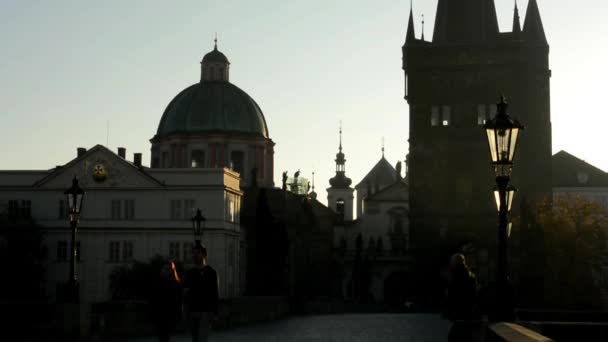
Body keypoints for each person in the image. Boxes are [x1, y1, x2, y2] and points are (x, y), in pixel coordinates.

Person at [183, 243, 219, 342]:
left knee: (201, 338)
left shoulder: (211, 272)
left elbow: (214, 293)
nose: (195, 255)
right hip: (193, 310)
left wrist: (214, 312)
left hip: (206, 311)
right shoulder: (189, 273)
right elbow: (185, 293)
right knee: (195, 338)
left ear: (204, 255)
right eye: (193, 253)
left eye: (197, 253)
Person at [445, 253, 479, 342]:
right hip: (468, 312)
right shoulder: (471, 275)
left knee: (455, 336)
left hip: (458, 312)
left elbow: (452, 295)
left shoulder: (454, 275)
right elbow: (474, 295)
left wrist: (448, 311)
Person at [149, 259, 183, 342]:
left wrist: (177, 316)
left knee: (165, 336)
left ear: (171, 271)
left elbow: (178, 302)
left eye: (167, 269)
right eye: (164, 268)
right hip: (159, 316)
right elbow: (153, 300)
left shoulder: (175, 285)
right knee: (162, 337)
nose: (165, 271)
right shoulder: (156, 283)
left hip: (169, 316)